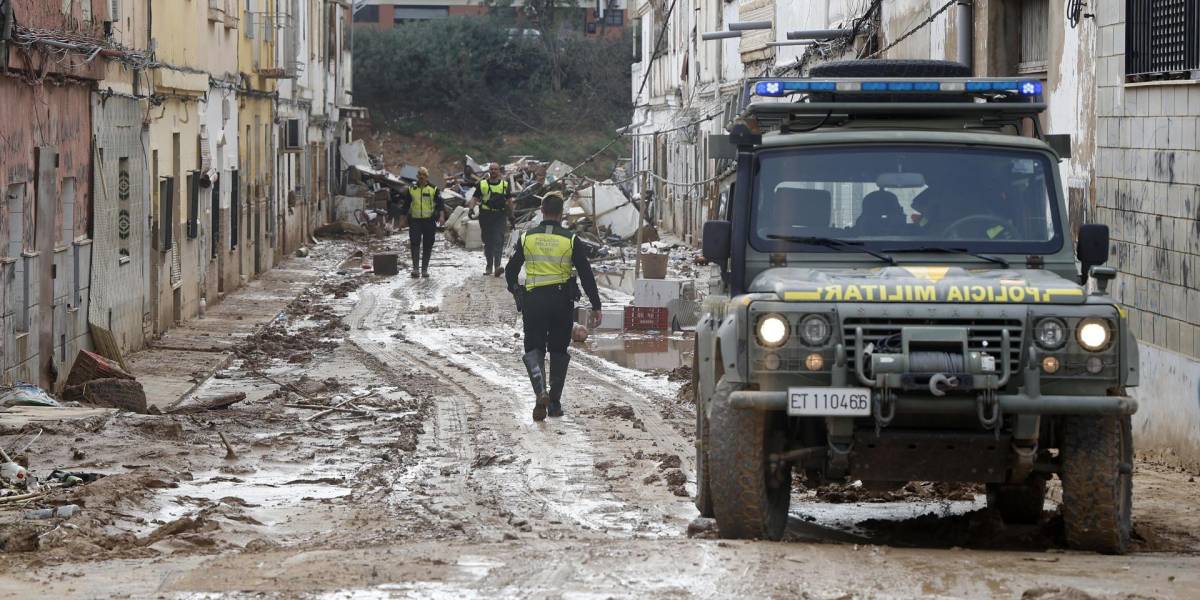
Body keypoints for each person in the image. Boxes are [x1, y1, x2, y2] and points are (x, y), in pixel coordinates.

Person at [505, 192, 602, 421]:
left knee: (534, 348)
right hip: (561, 302)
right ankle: (555, 404)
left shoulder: (527, 237)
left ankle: (540, 392)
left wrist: (516, 291)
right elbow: (586, 275)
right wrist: (596, 305)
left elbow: (510, 271)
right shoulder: (570, 239)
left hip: (534, 302)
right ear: (561, 214)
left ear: (542, 210)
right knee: (558, 350)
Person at [470, 163, 513, 277]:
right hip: (486, 215)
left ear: (499, 171)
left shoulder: (505, 184)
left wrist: (511, 215)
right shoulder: (482, 184)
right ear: (489, 171)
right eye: (492, 169)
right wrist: (471, 209)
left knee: (498, 240)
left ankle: (497, 266)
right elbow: (475, 198)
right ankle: (489, 265)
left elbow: (509, 201)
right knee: (488, 241)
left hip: (500, 215)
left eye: (496, 169)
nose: (493, 171)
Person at [403, 167, 444, 278]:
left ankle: (424, 269)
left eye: (424, 175)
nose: (421, 177)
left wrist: (441, 216)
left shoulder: (433, 189)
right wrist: (402, 219)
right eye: (420, 174)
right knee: (415, 243)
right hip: (415, 220)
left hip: (429, 221)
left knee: (427, 244)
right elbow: (406, 205)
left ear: (427, 177)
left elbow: (440, 204)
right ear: (417, 176)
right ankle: (416, 269)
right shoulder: (412, 189)